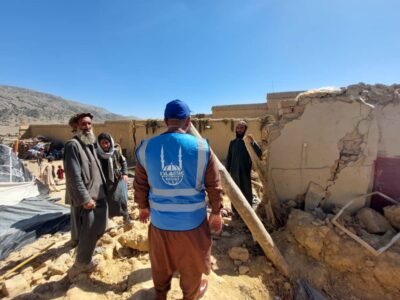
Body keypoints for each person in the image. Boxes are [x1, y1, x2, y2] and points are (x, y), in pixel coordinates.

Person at [134, 99, 223, 300]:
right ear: (188, 121)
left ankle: (161, 295)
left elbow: (140, 184)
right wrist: (216, 212)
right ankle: (190, 296)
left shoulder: (145, 148)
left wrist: (143, 207)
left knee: (160, 264)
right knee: (191, 266)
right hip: (193, 225)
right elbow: (214, 187)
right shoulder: (202, 148)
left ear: (165, 121)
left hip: (159, 224)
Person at [63, 113, 108, 277]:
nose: (87, 127)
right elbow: (73, 176)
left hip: (99, 193)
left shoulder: (90, 144)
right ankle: (82, 263)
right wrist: (85, 199)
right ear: (76, 126)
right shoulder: (72, 146)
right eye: (83, 124)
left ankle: (91, 250)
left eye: (89, 124)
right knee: (88, 229)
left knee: (100, 226)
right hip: (88, 197)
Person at [226, 121, 262, 212]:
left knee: (246, 192)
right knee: (235, 193)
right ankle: (236, 212)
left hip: (245, 172)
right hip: (233, 173)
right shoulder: (232, 143)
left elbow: (259, 153)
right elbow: (229, 158)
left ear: (245, 129)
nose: (239, 129)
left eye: (241, 128)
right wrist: (227, 172)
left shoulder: (248, 142)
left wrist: (253, 142)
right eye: (238, 127)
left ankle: (248, 212)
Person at [96, 132, 132, 224]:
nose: (105, 145)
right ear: (99, 143)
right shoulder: (96, 154)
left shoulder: (115, 152)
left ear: (110, 143)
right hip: (103, 183)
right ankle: (106, 221)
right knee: (105, 202)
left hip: (117, 180)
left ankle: (126, 217)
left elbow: (123, 162)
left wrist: (125, 173)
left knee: (122, 199)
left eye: (107, 142)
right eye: (102, 143)